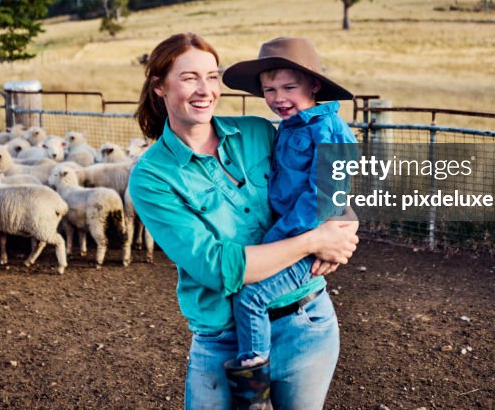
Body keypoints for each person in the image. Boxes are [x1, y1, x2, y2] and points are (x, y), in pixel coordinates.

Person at [128, 32, 358, 410]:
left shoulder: (257, 132)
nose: (205, 90)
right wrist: (314, 241)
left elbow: (325, 186)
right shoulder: (152, 177)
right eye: (189, 78)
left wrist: (345, 230)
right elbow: (219, 268)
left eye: (212, 76)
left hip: (305, 323)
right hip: (223, 343)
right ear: (159, 86)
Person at [220, 36, 358, 406]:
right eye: (269, 90)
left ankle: (254, 392)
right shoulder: (290, 126)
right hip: (294, 235)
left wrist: (274, 242)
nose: (278, 98)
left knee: (251, 296)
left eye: (289, 88)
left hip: (304, 240)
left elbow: (323, 198)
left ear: (314, 85)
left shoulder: (331, 132)